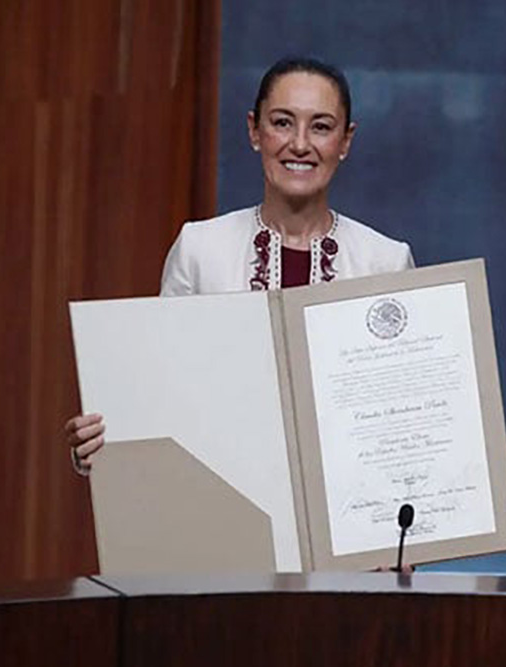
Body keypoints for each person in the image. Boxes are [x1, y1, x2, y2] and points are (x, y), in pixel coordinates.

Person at [67, 57, 414, 473]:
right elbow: (160, 390)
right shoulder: (199, 249)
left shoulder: (386, 261)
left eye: (320, 126)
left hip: (347, 507)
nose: (300, 144)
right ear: (254, 130)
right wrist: (105, 445)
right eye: (282, 122)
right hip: (223, 501)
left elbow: (402, 419)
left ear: (346, 140)